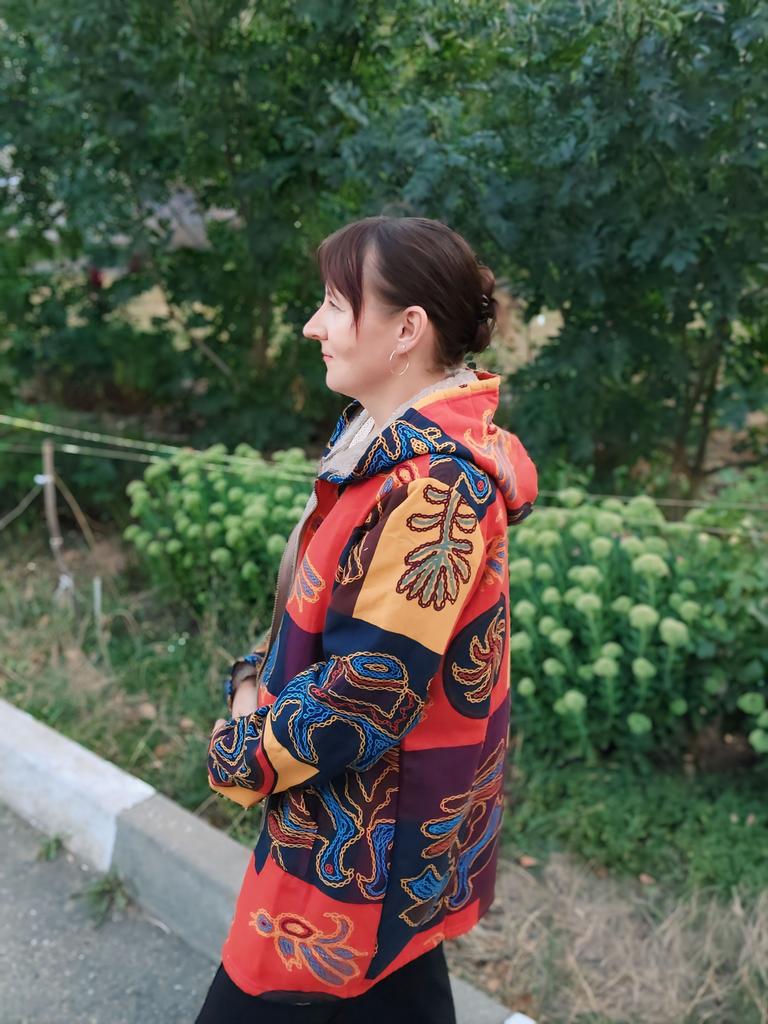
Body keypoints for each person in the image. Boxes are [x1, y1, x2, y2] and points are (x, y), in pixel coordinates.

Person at [195, 215, 538, 1023]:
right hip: (374, 835)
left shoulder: (433, 487)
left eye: (334, 304)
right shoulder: (381, 448)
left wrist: (240, 745)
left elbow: (364, 696)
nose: (313, 326)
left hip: (352, 850)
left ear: (406, 330)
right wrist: (255, 675)